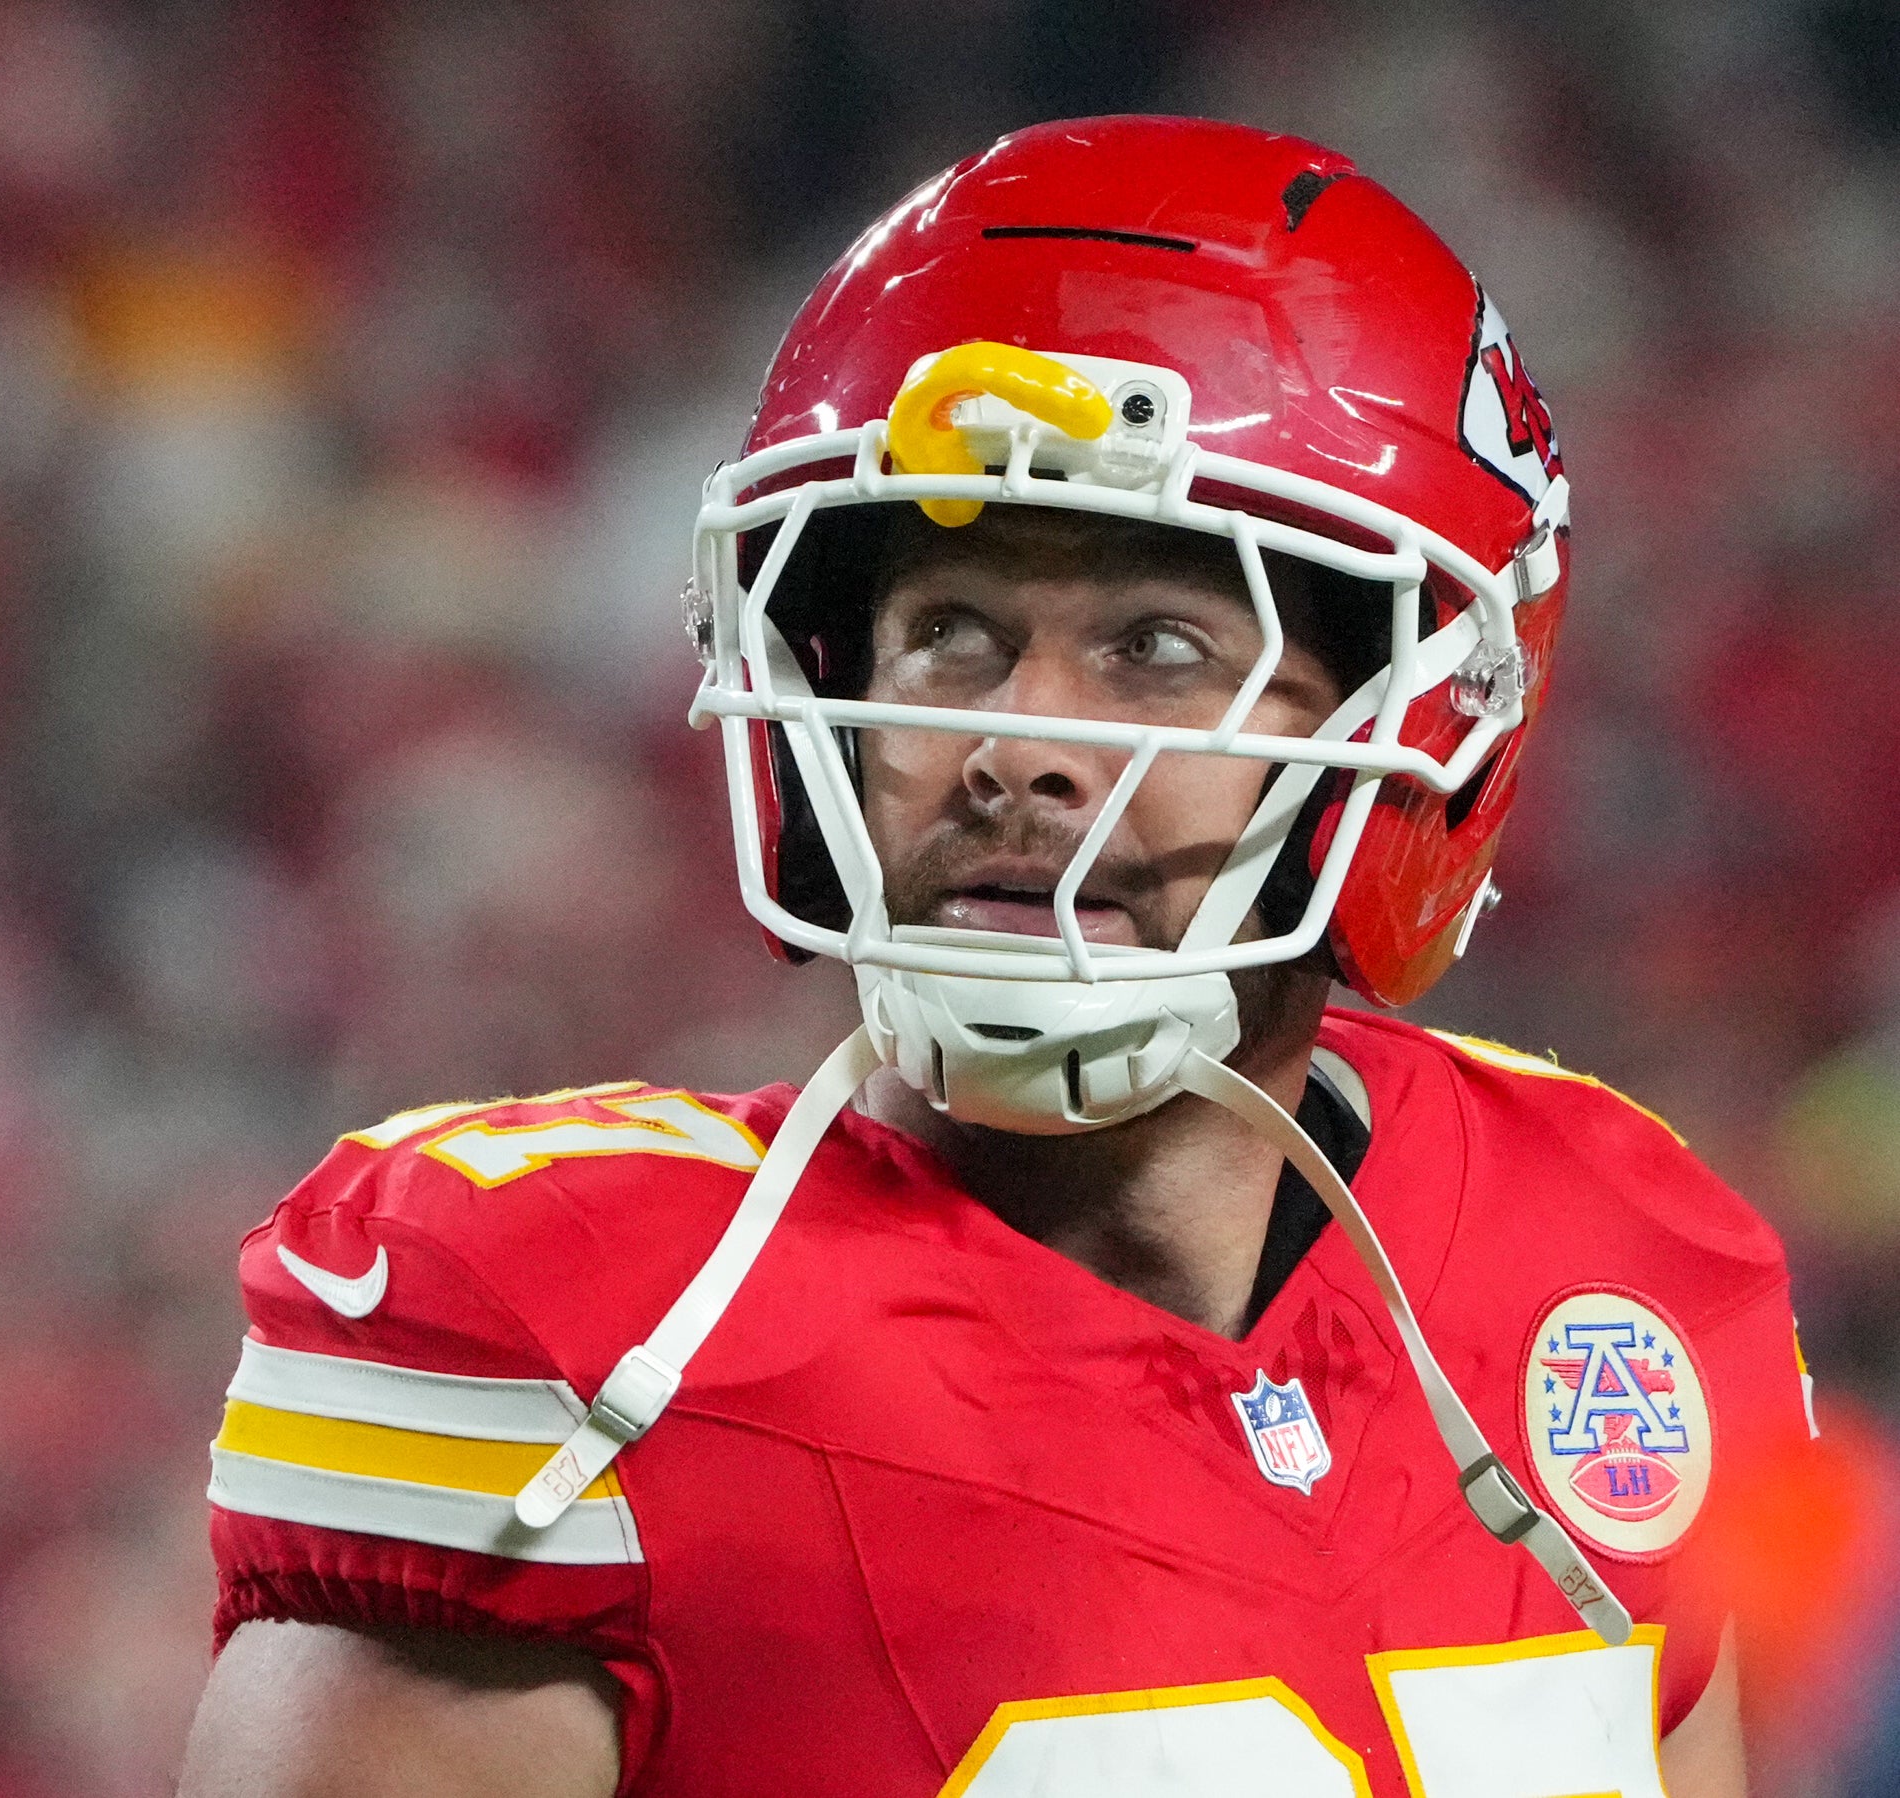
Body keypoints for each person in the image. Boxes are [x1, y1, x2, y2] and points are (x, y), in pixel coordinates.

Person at [177, 117, 1808, 1798]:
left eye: (1156, 647)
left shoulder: (1606, 1255)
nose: (1013, 743)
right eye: (950, 631)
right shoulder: (575, 1334)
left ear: (1420, 724)